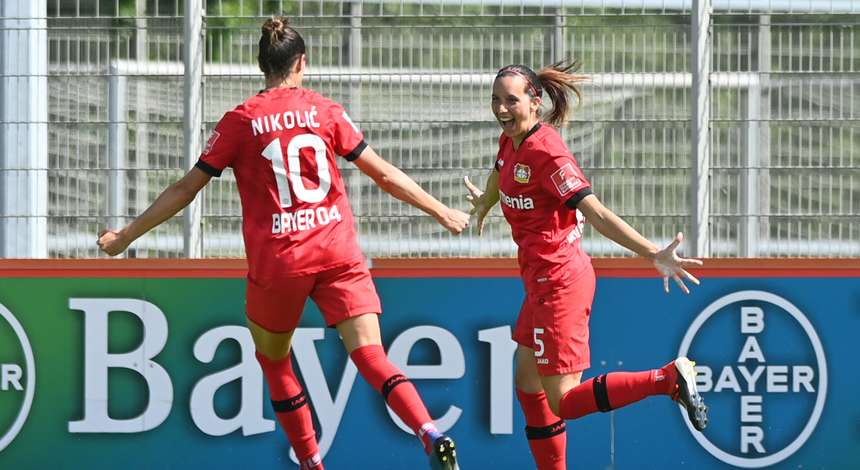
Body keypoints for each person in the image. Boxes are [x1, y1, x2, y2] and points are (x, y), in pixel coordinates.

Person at [97, 16, 467, 470]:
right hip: (337, 252)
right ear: (301, 63)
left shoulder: (240, 121)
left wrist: (125, 236)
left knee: (274, 362)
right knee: (371, 354)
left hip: (281, 261)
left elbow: (185, 189)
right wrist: (442, 211)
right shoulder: (326, 111)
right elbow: (385, 175)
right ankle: (429, 431)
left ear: (261, 65)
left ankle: (311, 462)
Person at [463, 61, 709, 470]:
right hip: (541, 282)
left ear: (535, 103)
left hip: (559, 282)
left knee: (563, 402)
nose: (501, 109)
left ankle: (667, 379)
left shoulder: (547, 153)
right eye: (496, 100)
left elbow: (597, 214)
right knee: (527, 380)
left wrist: (653, 252)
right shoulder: (511, 141)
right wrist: (487, 201)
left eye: (511, 101)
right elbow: (500, 170)